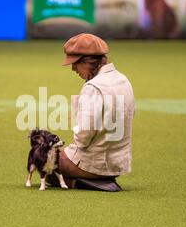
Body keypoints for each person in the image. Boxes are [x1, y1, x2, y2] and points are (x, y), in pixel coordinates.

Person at [48, 33, 135, 192]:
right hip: (118, 164)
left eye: (75, 63)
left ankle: (81, 181)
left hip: (95, 164)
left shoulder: (93, 87)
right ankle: (99, 179)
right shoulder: (124, 80)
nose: (73, 69)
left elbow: (83, 138)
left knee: (44, 161)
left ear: (89, 61)